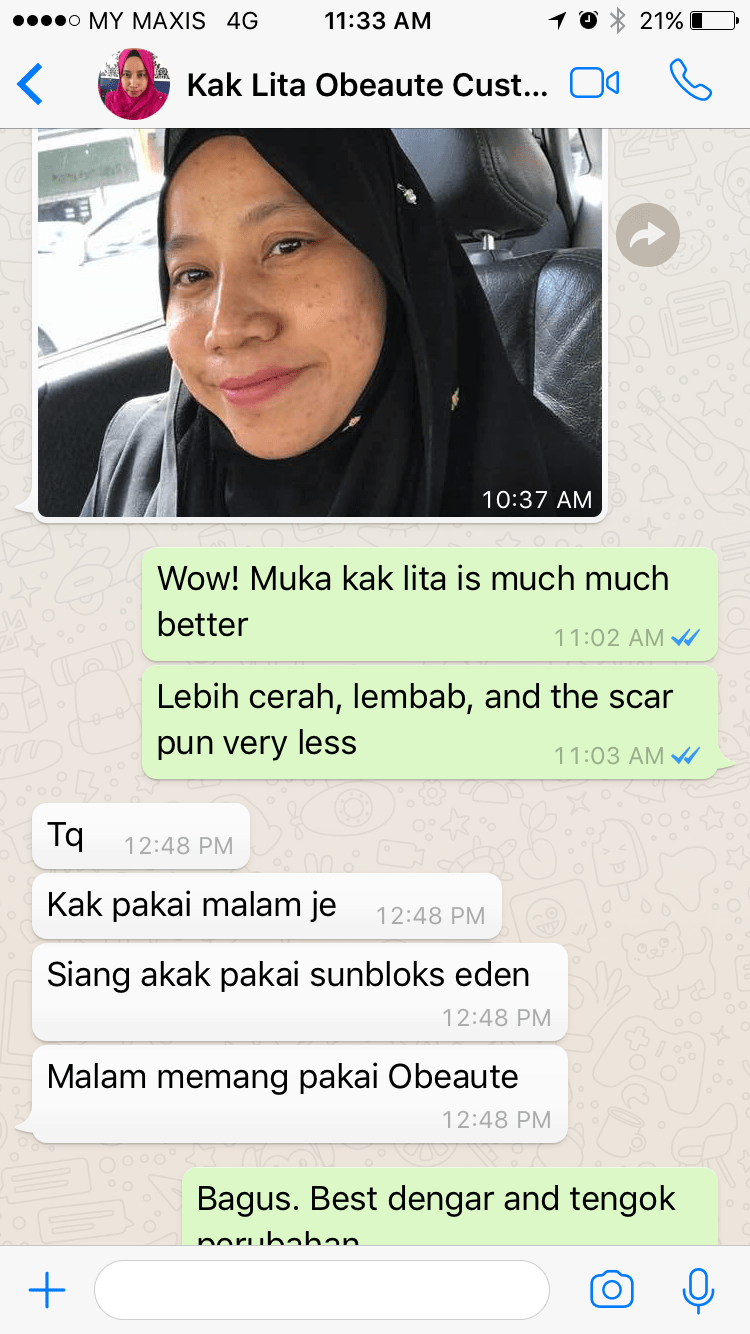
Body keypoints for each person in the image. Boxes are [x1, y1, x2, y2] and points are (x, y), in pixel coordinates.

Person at [82, 129, 600, 518]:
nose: (227, 328)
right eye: (192, 274)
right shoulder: (138, 456)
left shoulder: (562, 506)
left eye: (287, 246)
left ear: (391, 262)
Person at [103, 49, 167, 121]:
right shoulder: (110, 100)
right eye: (127, 74)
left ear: (150, 75)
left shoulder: (161, 102)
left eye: (140, 75)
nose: (133, 84)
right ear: (120, 75)